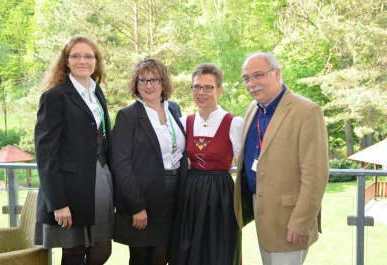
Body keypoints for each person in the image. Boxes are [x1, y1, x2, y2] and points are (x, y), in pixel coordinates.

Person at [234, 51, 329, 265]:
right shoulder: (253, 109)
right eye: (247, 78)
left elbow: (316, 175)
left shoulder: (307, 111)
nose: (252, 83)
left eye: (258, 75)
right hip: (261, 210)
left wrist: (301, 222)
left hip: (289, 218)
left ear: (277, 73)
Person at [34, 36, 114, 265]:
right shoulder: (54, 97)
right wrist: (58, 202)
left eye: (88, 56)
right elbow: (45, 154)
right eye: (75, 56)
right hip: (68, 188)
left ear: (96, 62)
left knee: (102, 249)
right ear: (66, 61)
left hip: (100, 180)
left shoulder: (97, 93)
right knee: (74, 252)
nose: (82, 60)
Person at [111, 57, 188, 265]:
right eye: (142, 80)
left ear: (163, 82)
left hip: (173, 198)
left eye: (154, 79)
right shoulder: (128, 116)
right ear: (136, 85)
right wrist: (137, 206)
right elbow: (121, 165)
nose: (149, 85)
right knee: (141, 257)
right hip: (143, 198)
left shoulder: (174, 109)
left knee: (163, 256)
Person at [172, 63, 244, 265]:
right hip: (191, 192)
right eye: (196, 87)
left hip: (221, 194)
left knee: (219, 249)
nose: (201, 92)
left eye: (207, 87)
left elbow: (243, 164)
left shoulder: (234, 122)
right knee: (189, 246)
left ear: (219, 90)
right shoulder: (184, 121)